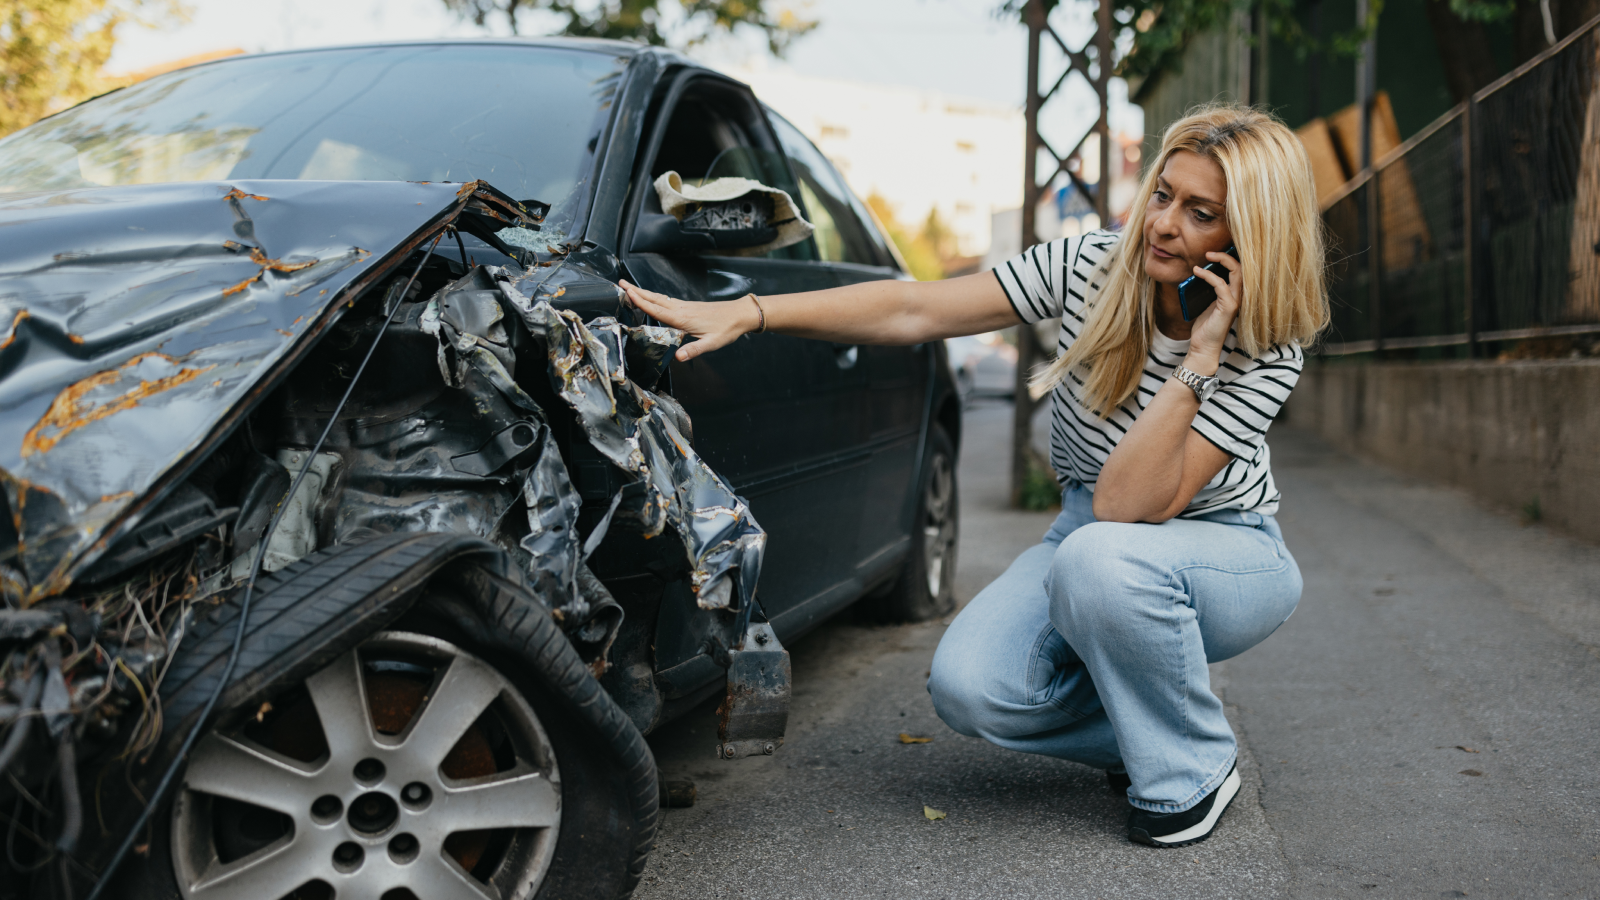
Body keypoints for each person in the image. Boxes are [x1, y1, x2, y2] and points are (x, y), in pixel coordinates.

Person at [620, 104, 1328, 848]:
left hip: (1226, 554)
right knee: (972, 688)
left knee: (1102, 559)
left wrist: (1200, 359)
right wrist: (752, 312)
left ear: (1245, 237)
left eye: (1201, 213)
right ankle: (1147, 732)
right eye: (1162, 195)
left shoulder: (1264, 345)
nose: (1162, 223)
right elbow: (914, 306)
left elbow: (1128, 504)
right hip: (1089, 536)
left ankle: (1190, 769)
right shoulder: (1089, 267)